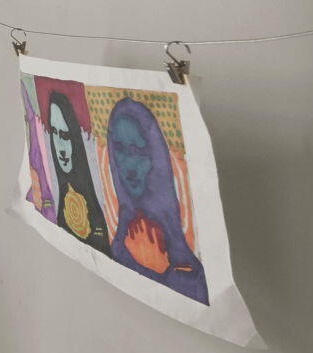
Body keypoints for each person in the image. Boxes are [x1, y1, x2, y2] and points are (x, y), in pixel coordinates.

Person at [106, 96, 208, 302]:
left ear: (156, 155)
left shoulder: (181, 247)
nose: (129, 165)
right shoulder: (121, 233)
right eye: (120, 149)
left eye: (139, 151)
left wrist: (159, 268)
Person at [45, 89, 109, 253]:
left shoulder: (96, 218)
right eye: (55, 134)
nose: (61, 148)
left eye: (65, 135)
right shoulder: (59, 200)